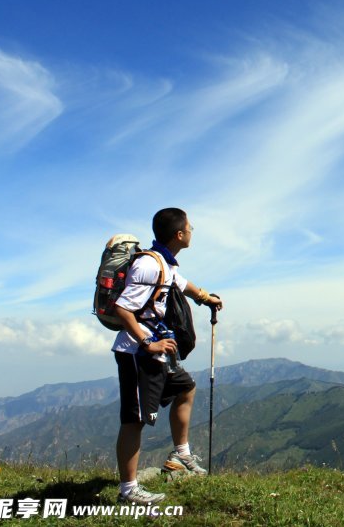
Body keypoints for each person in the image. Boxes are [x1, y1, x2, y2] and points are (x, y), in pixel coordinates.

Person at [112, 208, 223, 506]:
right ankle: (128, 491)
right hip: (137, 354)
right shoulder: (149, 265)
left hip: (157, 353)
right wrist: (148, 342)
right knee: (134, 420)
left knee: (185, 388)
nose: (192, 230)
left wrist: (205, 299)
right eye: (189, 226)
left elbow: (182, 284)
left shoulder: (165, 263)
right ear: (179, 234)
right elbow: (123, 309)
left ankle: (181, 454)